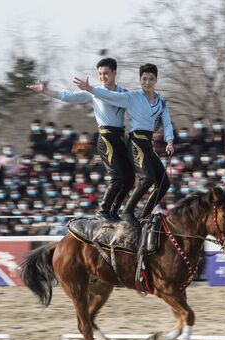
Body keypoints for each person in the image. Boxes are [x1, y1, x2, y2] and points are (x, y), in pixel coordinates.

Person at [28, 58, 134, 222]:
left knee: (130, 177)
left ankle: (115, 210)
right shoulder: (93, 93)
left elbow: (136, 108)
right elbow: (68, 96)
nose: (102, 77)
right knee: (118, 176)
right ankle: (103, 210)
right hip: (106, 138)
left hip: (121, 137)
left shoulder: (125, 93)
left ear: (114, 73)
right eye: (99, 74)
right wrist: (45, 91)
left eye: (105, 73)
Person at [74, 63, 175, 225]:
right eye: (144, 79)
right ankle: (127, 212)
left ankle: (144, 216)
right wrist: (91, 89)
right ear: (140, 80)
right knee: (147, 178)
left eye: (151, 79)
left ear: (156, 80)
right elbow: (111, 96)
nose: (147, 82)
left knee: (164, 183)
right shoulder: (133, 97)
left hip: (148, 144)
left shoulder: (162, 103)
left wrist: (169, 140)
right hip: (135, 143)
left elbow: (167, 123)